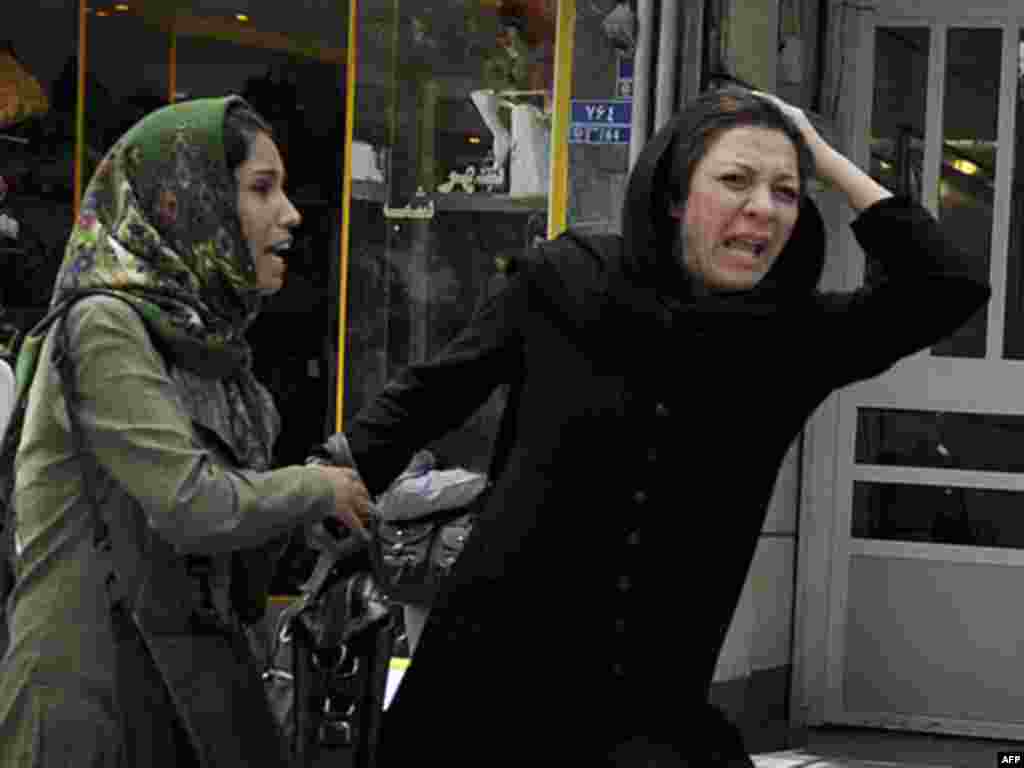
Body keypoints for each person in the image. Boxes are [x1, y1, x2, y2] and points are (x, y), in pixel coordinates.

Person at [312, 87, 991, 766]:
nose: (762, 206)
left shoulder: (794, 339)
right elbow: (431, 394)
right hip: (481, 688)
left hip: (649, 715)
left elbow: (945, 285)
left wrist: (822, 155)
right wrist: (317, 493)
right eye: (734, 179)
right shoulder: (566, 279)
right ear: (672, 195)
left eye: (786, 191)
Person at [0, 96, 372, 767]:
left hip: (185, 693)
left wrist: (308, 524)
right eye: (262, 188)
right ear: (188, 199)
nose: (289, 213)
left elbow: (228, 550)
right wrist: (313, 489)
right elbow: (187, 504)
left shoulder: (215, 351)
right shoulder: (105, 327)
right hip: (97, 705)